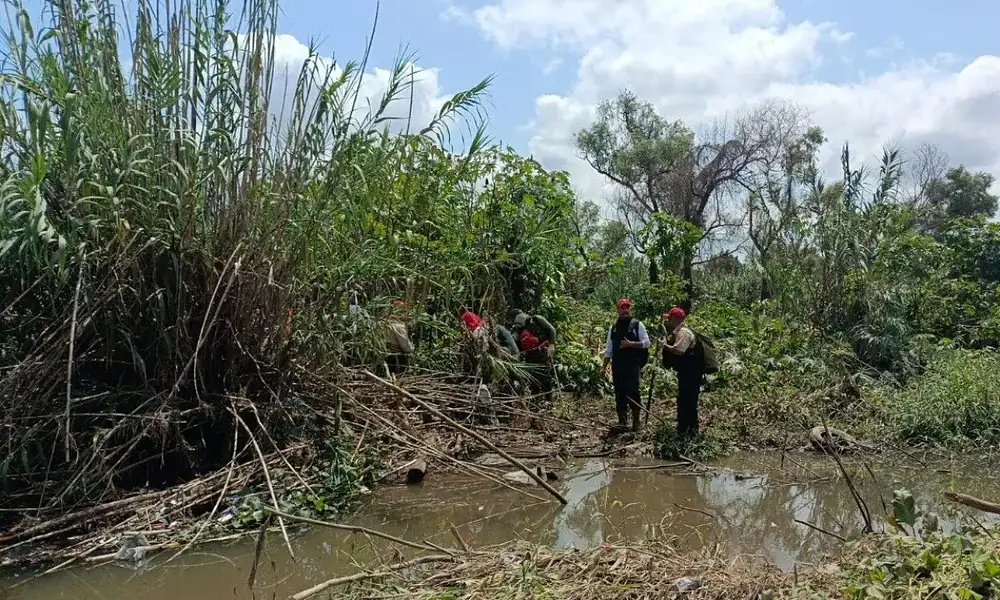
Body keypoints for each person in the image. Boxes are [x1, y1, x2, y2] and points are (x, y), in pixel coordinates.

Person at [600, 297, 651, 432]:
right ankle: (622, 422)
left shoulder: (637, 325)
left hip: (632, 364)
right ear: (618, 309)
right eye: (622, 307)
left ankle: (636, 422)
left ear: (630, 309)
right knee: (619, 393)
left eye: (627, 307)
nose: (625, 310)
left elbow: (647, 343)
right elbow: (609, 349)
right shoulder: (614, 327)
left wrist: (631, 344)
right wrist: (603, 367)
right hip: (618, 365)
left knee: (634, 392)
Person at [661, 306, 701, 438]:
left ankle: (689, 431)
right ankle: (685, 430)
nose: (669, 321)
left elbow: (679, 350)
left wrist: (665, 346)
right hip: (687, 374)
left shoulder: (684, 332)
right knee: (684, 401)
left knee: (688, 402)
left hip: (691, 375)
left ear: (676, 319)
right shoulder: (679, 331)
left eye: (671, 318)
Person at [511, 309, 558, 407]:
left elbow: (552, 330)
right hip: (530, 354)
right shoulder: (518, 329)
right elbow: (517, 343)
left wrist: (552, 345)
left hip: (542, 350)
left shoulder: (537, 319)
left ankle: (549, 400)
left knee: (545, 376)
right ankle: (536, 400)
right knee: (533, 378)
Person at [385, 299, 414, 375]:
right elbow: (406, 348)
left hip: (383, 358)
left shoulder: (383, 323)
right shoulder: (399, 326)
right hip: (396, 360)